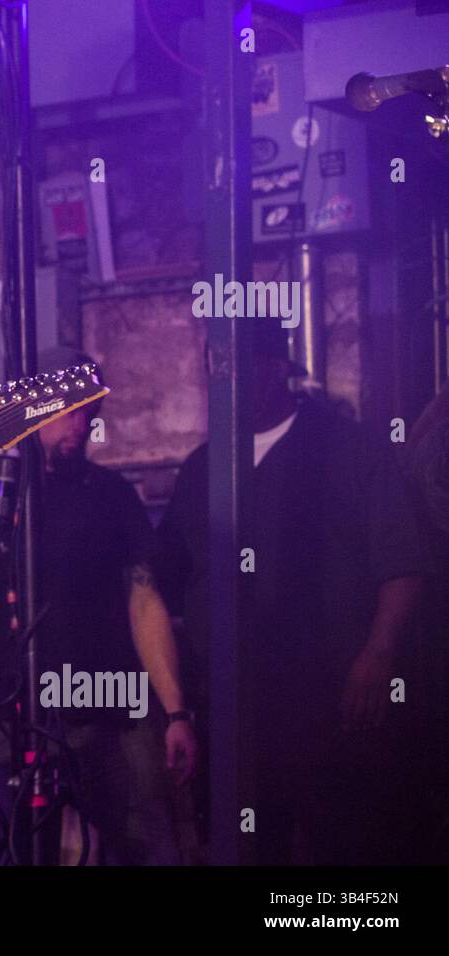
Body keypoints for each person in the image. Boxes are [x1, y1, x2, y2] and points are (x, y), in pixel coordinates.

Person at [0, 347, 196, 865]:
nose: (81, 424)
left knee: (148, 846)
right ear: (34, 407)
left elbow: (145, 602)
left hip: (108, 711)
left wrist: (176, 711)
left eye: (90, 412)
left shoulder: (111, 496)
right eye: (70, 410)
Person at [157, 324, 429, 864]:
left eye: (240, 367)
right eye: (218, 371)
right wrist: (180, 707)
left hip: (333, 703)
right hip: (238, 714)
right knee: (252, 846)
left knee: (347, 844)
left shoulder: (349, 450)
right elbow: (162, 581)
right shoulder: (202, 470)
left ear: (276, 366)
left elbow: (403, 563)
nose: (227, 383)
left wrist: (378, 654)